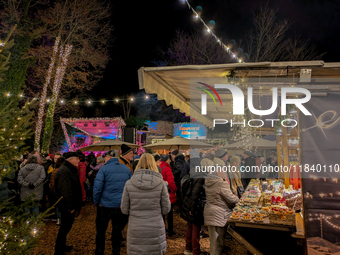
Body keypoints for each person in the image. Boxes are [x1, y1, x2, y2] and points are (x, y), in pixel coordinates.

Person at [121, 153, 171, 255]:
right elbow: (166, 209)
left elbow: (124, 209)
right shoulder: (161, 183)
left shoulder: (129, 183)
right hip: (155, 227)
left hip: (136, 228)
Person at [93, 150, 132, 255]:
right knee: (117, 231)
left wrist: (97, 202)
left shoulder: (103, 169)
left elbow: (97, 188)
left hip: (105, 205)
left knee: (101, 231)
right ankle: (116, 251)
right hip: (120, 206)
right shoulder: (126, 169)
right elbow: (130, 188)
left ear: (108, 157)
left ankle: (100, 251)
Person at [204, 158, 239, 255]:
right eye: (223, 171)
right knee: (216, 242)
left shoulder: (209, 181)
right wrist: (239, 201)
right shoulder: (220, 183)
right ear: (218, 173)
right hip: (218, 213)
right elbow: (231, 198)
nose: (225, 173)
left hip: (211, 211)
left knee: (215, 239)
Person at [54, 152, 83, 255]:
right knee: (64, 227)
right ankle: (59, 250)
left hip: (67, 204)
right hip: (66, 205)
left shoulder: (68, 169)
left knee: (66, 226)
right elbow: (65, 190)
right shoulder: (65, 171)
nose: (78, 161)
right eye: (76, 159)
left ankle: (62, 246)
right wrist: (69, 206)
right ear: (70, 160)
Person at [181, 151, 207, 255]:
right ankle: (195, 251)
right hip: (194, 206)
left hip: (189, 203)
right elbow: (196, 194)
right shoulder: (201, 177)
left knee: (191, 227)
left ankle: (188, 248)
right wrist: (193, 208)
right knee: (196, 228)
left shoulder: (194, 173)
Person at [160, 154, 177, 237]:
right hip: (168, 193)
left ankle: (162, 230)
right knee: (170, 213)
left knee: (162, 213)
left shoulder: (159, 167)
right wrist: (175, 189)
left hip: (161, 192)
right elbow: (171, 182)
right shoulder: (167, 168)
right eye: (169, 159)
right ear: (166, 160)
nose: (170, 161)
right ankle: (170, 230)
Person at [50, 156, 66, 225]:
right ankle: (62, 218)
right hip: (63, 188)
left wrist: (51, 188)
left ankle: (58, 218)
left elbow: (52, 181)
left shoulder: (54, 170)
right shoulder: (65, 170)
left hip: (56, 189)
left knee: (57, 204)